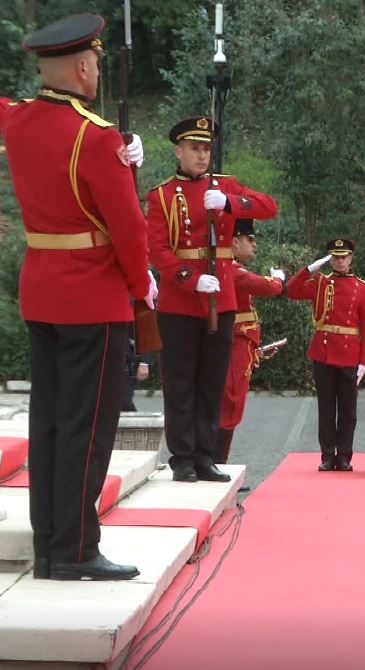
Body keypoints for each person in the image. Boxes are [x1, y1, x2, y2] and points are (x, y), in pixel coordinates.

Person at [1, 14, 153, 581]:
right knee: (88, 428)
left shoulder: (17, 121)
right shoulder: (96, 137)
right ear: (85, 67)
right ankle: (76, 549)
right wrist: (143, 287)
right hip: (94, 299)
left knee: (48, 425)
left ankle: (51, 547)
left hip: (41, 292)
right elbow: (130, 229)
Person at [146, 116, 278, 483]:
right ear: (179, 151)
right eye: (194, 148)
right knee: (180, 381)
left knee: (212, 382)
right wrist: (189, 278)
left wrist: (231, 202)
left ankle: (205, 455)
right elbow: (156, 249)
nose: (202, 155)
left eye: (206, 148)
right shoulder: (161, 195)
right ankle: (183, 457)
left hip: (222, 301)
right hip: (180, 302)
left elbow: (268, 206)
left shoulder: (225, 186)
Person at [287, 239, 365, 472]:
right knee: (326, 407)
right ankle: (327, 455)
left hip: (349, 355)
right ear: (330, 259)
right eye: (335, 257)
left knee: (348, 409)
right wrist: (309, 269)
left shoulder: (363, 288)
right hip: (324, 352)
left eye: (343, 257)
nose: (340, 261)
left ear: (351, 258)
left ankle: (344, 456)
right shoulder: (319, 283)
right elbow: (291, 290)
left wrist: (364, 360)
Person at [215, 219, 285, 466]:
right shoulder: (231, 269)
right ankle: (218, 462)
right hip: (235, 341)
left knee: (232, 401)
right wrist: (278, 279)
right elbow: (266, 287)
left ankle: (218, 462)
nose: (254, 245)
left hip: (241, 341)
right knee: (231, 400)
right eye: (250, 240)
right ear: (234, 242)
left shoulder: (233, 267)